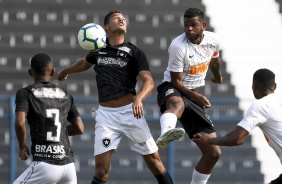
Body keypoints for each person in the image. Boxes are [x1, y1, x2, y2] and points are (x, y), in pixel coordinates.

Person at [57, 9, 174, 184]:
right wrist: (65, 71)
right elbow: (84, 63)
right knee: (101, 171)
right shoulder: (99, 49)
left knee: (155, 164)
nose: (121, 19)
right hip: (106, 116)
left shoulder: (134, 51)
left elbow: (148, 81)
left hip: (131, 113)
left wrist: (139, 98)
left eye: (123, 18)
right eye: (116, 18)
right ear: (106, 27)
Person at [155, 8, 223, 184]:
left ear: (203, 26)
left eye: (194, 25)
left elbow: (215, 59)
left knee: (213, 152)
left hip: (193, 94)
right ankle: (167, 131)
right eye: (186, 25)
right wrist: (197, 97)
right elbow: (176, 81)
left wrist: (216, 75)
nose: (189, 29)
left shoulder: (213, 40)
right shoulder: (178, 46)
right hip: (172, 87)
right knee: (176, 104)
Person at [192, 68, 282, 184]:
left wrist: (209, 140)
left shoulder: (260, 105)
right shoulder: (278, 102)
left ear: (253, 87)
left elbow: (237, 139)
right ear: (274, 86)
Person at [14, 53, 84, 184]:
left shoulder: (26, 93)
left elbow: (19, 122)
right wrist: (60, 131)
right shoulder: (66, 95)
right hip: (68, 167)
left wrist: (22, 146)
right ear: (52, 71)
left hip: (45, 164)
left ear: (30, 72)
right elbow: (79, 128)